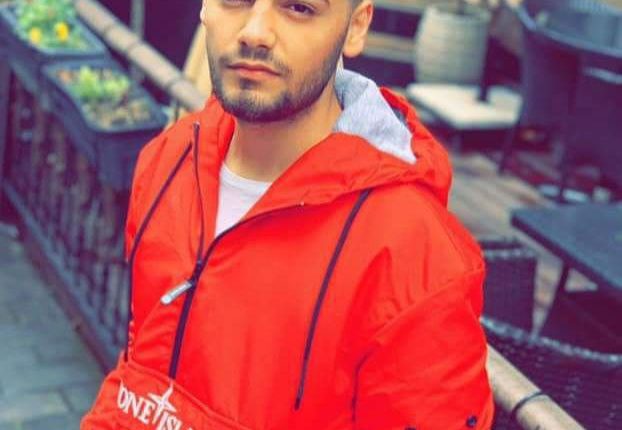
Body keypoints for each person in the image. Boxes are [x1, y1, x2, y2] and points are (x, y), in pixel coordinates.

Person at [81, 0, 494, 428]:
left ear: (355, 27)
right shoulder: (170, 157)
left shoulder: (416, 261)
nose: (255, 32)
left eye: (298, 7)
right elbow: (140, 377)